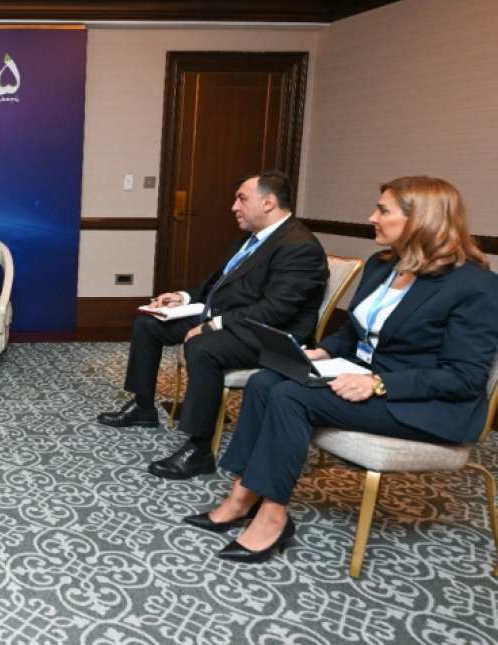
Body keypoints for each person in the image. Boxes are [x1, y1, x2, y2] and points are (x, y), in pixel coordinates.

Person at [188, 176, 498, 562]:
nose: (372, 217)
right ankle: (242, 495)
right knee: (265, 380)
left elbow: (464, 377)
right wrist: (323, 352)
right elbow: (353, 329)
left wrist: (379, 383)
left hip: (421, 403)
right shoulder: (383, 265)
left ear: (421, 218)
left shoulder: (474, 286)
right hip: (358, 373)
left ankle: (273, 515)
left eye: (383, 210)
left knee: (290, 396)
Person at [98, 171, 328, 479]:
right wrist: (182, 297)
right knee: (148, 323)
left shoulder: (299, 246)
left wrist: (213, 325)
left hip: (270, 335)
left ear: (269, 202)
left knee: (202, 346)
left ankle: (199, 449)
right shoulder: (250, 239)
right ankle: (143, 407)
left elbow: (276, 310)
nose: (234, 207)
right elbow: (217, 285)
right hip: (231, 318)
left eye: (242, 199)